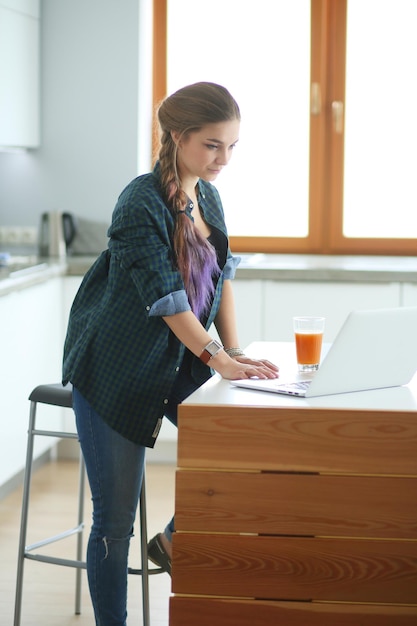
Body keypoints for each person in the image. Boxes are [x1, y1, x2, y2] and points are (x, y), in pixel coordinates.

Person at [62, 81, 279, 625]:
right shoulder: (140, 200)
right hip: (117, 368)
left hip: (181, 359)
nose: (224, 159)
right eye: (212, 145)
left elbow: (223, 275)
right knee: (113, 523)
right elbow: (167, 296)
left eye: (232, 146)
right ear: (179, 138)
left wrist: (231, 351)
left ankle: (173, 540)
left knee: (251, 443)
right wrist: (217, 359)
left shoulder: (208, 195)